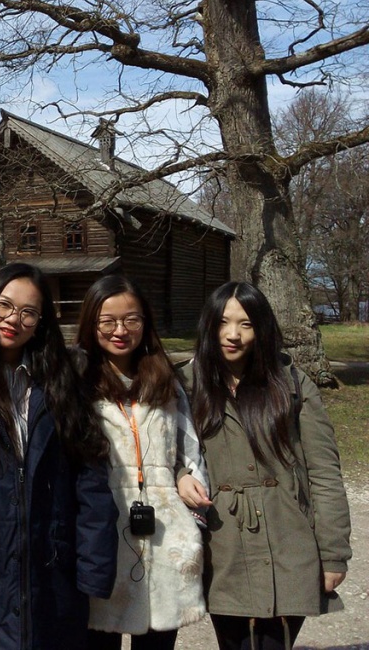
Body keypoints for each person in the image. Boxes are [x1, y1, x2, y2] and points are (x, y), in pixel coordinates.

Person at [0, 262, 118, 650]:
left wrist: (93, 568)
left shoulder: (62, 376)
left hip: (52, 570)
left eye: (28, 312)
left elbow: (91, 473)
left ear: (41, 321)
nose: (12, 320)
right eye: (4, 305)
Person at [181, 281, 351, 650]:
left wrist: (334, 553)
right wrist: (180, 475)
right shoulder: (187, 385)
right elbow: (163, 451)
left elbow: (324, 472)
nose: (233, 335)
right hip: (221, 544)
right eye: (223, 322)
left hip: (289, 539)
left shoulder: (291, 384)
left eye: (246, 324)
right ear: (209, 325)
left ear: (262, 329)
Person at [75, 275, 206, 649]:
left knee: (159, 641)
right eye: (108, 320)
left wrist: (182, 474)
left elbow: (188, 448)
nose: (121, 330)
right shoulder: (76, 379)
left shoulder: (166, 379)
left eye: (132, 319)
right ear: (91, 323)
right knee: (99, 638)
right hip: (103, 530)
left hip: (165, 532)